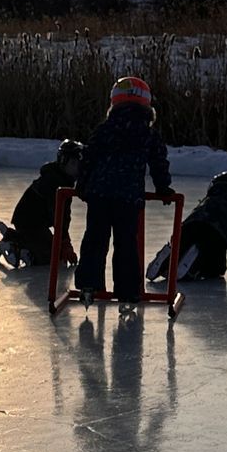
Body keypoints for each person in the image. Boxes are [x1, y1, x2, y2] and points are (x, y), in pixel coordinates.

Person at [76, 74, 173, 303]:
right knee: (126, 243)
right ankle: (128, 292)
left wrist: (83, 183)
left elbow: (89, 156)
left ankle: (89, 285)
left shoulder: (106, 129)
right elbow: (159, 161)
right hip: (127, 197)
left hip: (99, 195)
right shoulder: (146, 132)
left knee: (94, 240)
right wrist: (163, 187)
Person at [148, 169, 227, 285]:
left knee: (181, 246)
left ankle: (168, 257)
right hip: (217, 234)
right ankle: (191, 266)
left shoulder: (207, 200)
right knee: (216, 270)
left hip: (189, 227)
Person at [0, 139, 83, 268]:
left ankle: (11, 236)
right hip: (28, 221)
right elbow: (59, 216)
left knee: (57, 254)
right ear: (63, 161)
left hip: (37, 222)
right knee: (49, 258)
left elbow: (62, 216)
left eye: (78, 164)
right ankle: (12, 242)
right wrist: (65, 243)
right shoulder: (54, 181)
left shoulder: (64, 179)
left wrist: (64, 243)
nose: (77, 168)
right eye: (73, 163)